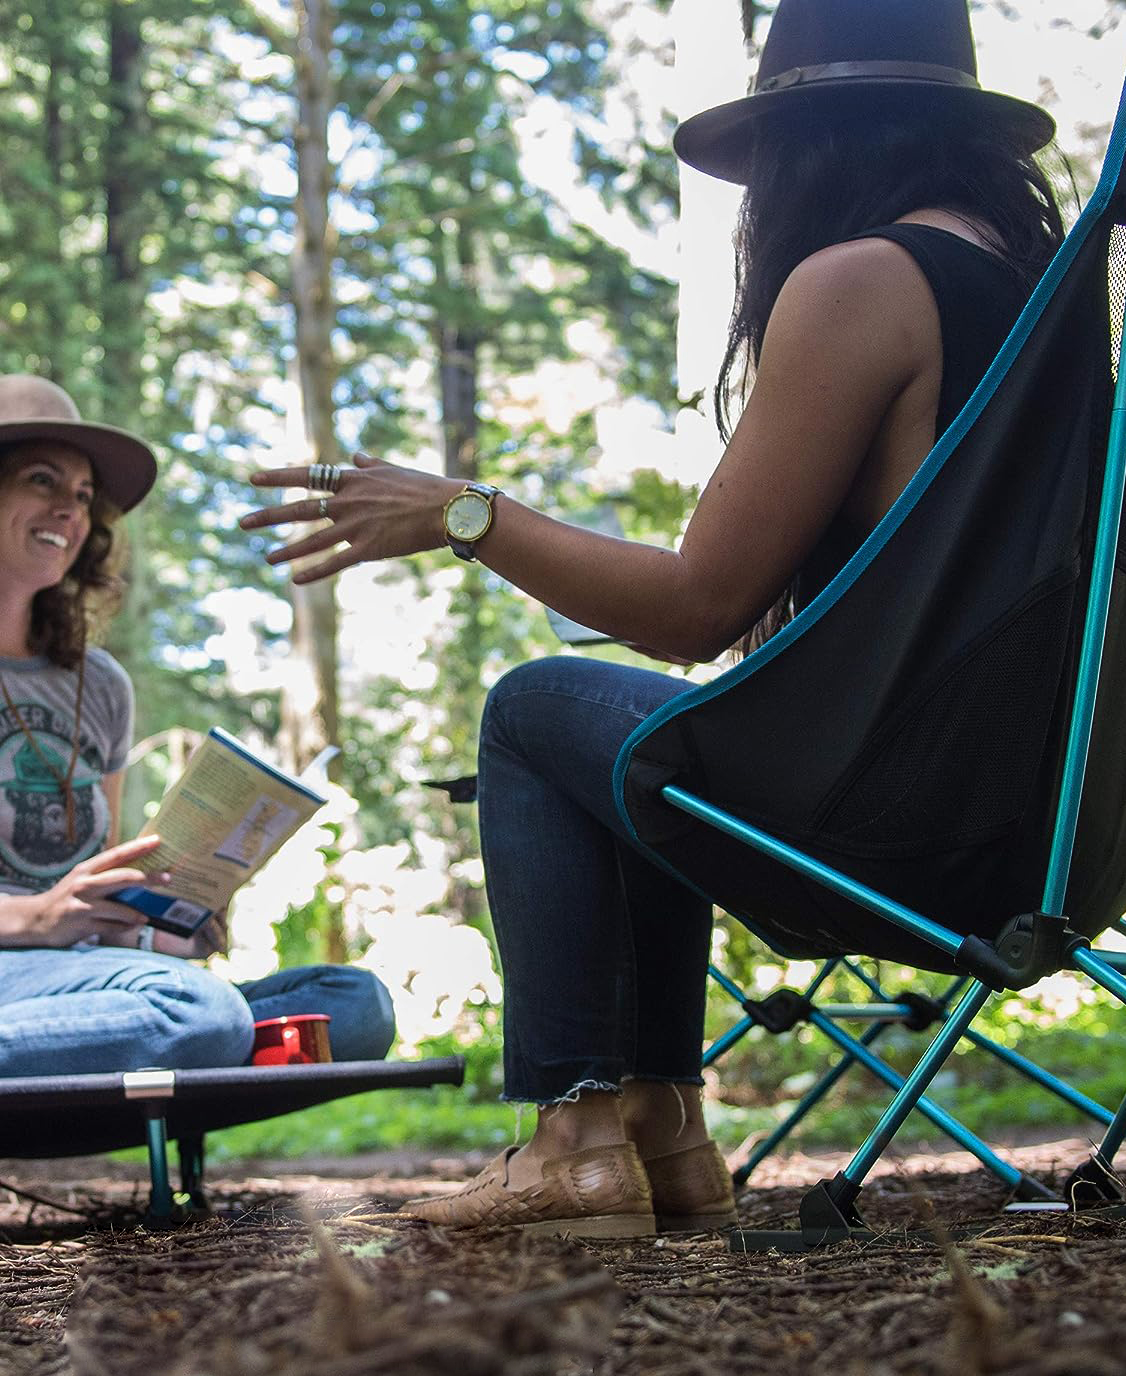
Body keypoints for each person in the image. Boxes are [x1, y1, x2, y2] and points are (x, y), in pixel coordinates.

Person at [242, 0, 1064, 1234]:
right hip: (1056, 814)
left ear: (814, 143)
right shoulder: (1057, 303)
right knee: (658, 729)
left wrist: (467, 514)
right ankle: (664, 1136)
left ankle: (574, 1138)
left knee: (538, 707)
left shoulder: (868, 283)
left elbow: (696, 607)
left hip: (909, 826)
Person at [0, 373, 396, 1077]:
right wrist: (36, 919)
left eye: (86, 496)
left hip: (87, 981)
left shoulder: (100, 685)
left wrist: (162, 921)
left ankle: (151, 1042)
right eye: (42, 480)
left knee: (356, 1003)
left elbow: (98, 871)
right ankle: (176, 1037)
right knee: (202, 1014)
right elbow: (53, 912)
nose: (71, 509)